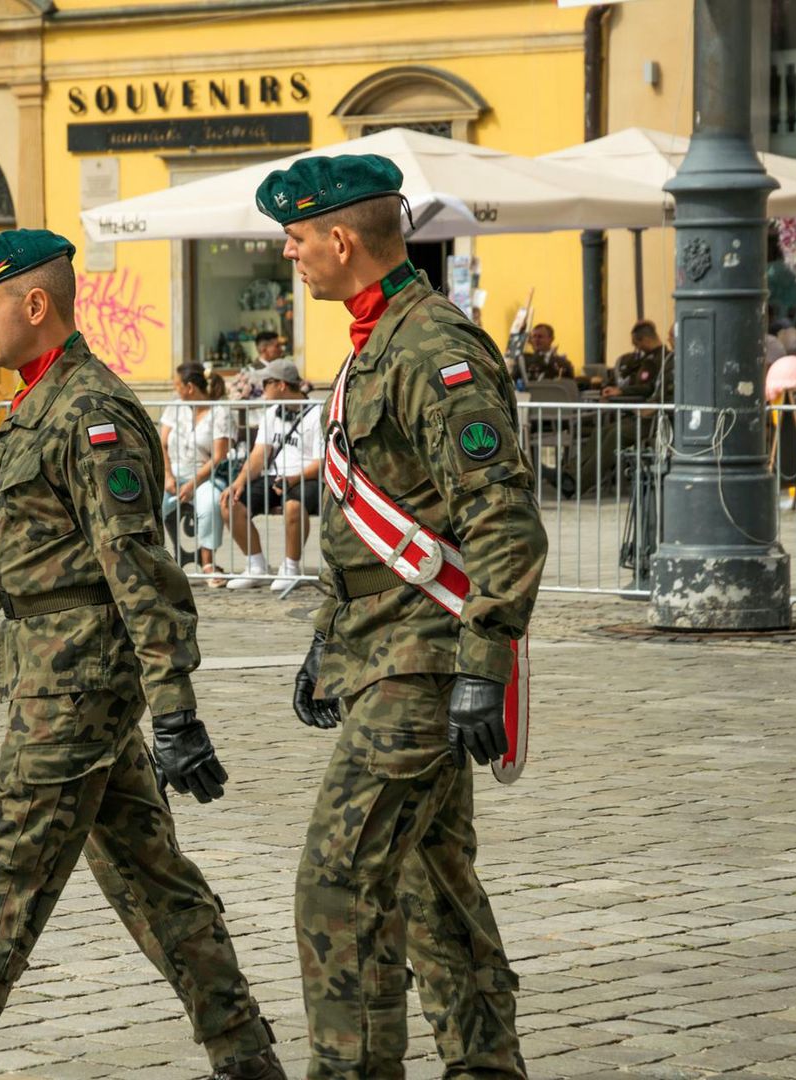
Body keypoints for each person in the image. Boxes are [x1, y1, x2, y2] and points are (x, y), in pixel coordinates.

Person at [0, 228, 285, 1080]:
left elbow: (142, 572)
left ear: (33, 304)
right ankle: (246, 1057)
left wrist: (175, 711)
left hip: (76, 693)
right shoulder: (36, 404)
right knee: (153, 883)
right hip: (48, 679)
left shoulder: (90, 413)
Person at [256, 154, 545, 1079]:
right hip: (383, 655)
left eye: (297, 240)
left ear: (342, 239)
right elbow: (377, 520)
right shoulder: (378, 342)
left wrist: (484, 662)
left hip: (425, 663)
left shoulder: (433, 350)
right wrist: (325, 644)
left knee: (337, 888)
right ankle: (486, 1065)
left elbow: (500, 515)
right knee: (435, 888)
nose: (291, 258)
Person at [218, 358, 323, 596]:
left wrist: (292, 480)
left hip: (308, 477)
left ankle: (291, 567)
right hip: (276, 475)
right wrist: (238, 482)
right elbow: (258, 456)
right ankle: (255, 565)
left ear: (282, 385)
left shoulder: (317, 413)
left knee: (293, 505)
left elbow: (322, 462)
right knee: (229, 502)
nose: (263, 389)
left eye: (266, 383)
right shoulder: (271, 414)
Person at [159, 363, 232, 583]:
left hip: (204, 475)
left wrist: (193, 483)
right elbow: (162, 444)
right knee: (148, 505)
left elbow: (218, 455)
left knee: (210, 503)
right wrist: (168, 476)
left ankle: (208, 562)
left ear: (190, 387)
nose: (175, 389)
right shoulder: (175, 407)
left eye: (177, 385)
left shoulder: (219, 411)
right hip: (171, 474)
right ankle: (153, 563)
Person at [607, 319, 673, 402]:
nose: (637, 348)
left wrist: (621, 391)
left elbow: (647, 387)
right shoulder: (642, 359)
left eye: (637, 344)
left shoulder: (660, 360)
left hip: (645, 406)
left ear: (646, 340)